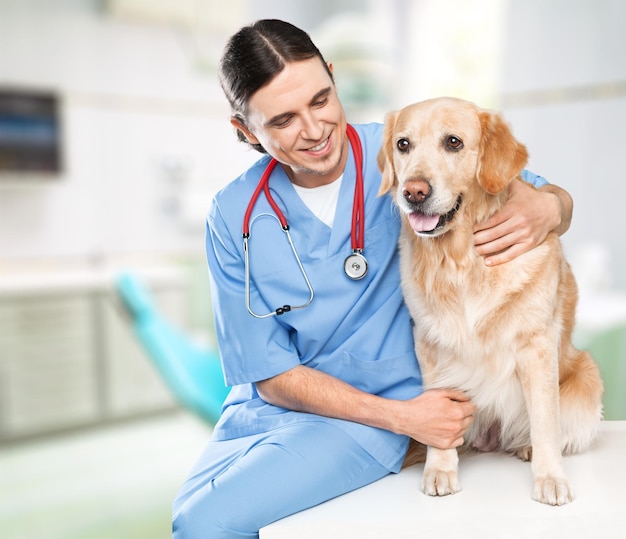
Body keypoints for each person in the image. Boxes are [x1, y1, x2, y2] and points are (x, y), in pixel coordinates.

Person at [172, 19, 573, 538]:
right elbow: (266, 373)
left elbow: (528, 189)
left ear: (335, 81)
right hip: (266, 410)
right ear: (246, 131)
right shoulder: (233, 215)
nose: (314, 131)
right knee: (187, 515)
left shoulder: (404, 145)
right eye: (284, 120)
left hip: (371, 419)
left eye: (321, 100)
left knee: (207, 523)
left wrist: (553, 207)